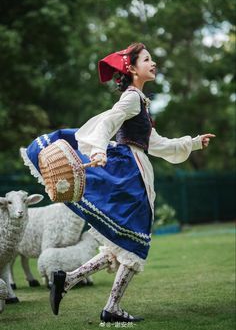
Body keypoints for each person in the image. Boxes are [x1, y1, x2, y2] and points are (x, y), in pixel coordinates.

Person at [21, 42, 215, 323]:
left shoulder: (141, 102)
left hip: (136, 172)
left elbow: (156, 144)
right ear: (132, 68)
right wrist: (98, 150)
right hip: (129, 175)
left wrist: (193, 143)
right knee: (135, 243)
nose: (154, 63)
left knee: (121, 242)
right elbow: (108, 123)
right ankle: (111, 308)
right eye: (147, 59)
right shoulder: (132, 98)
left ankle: (69, 280)